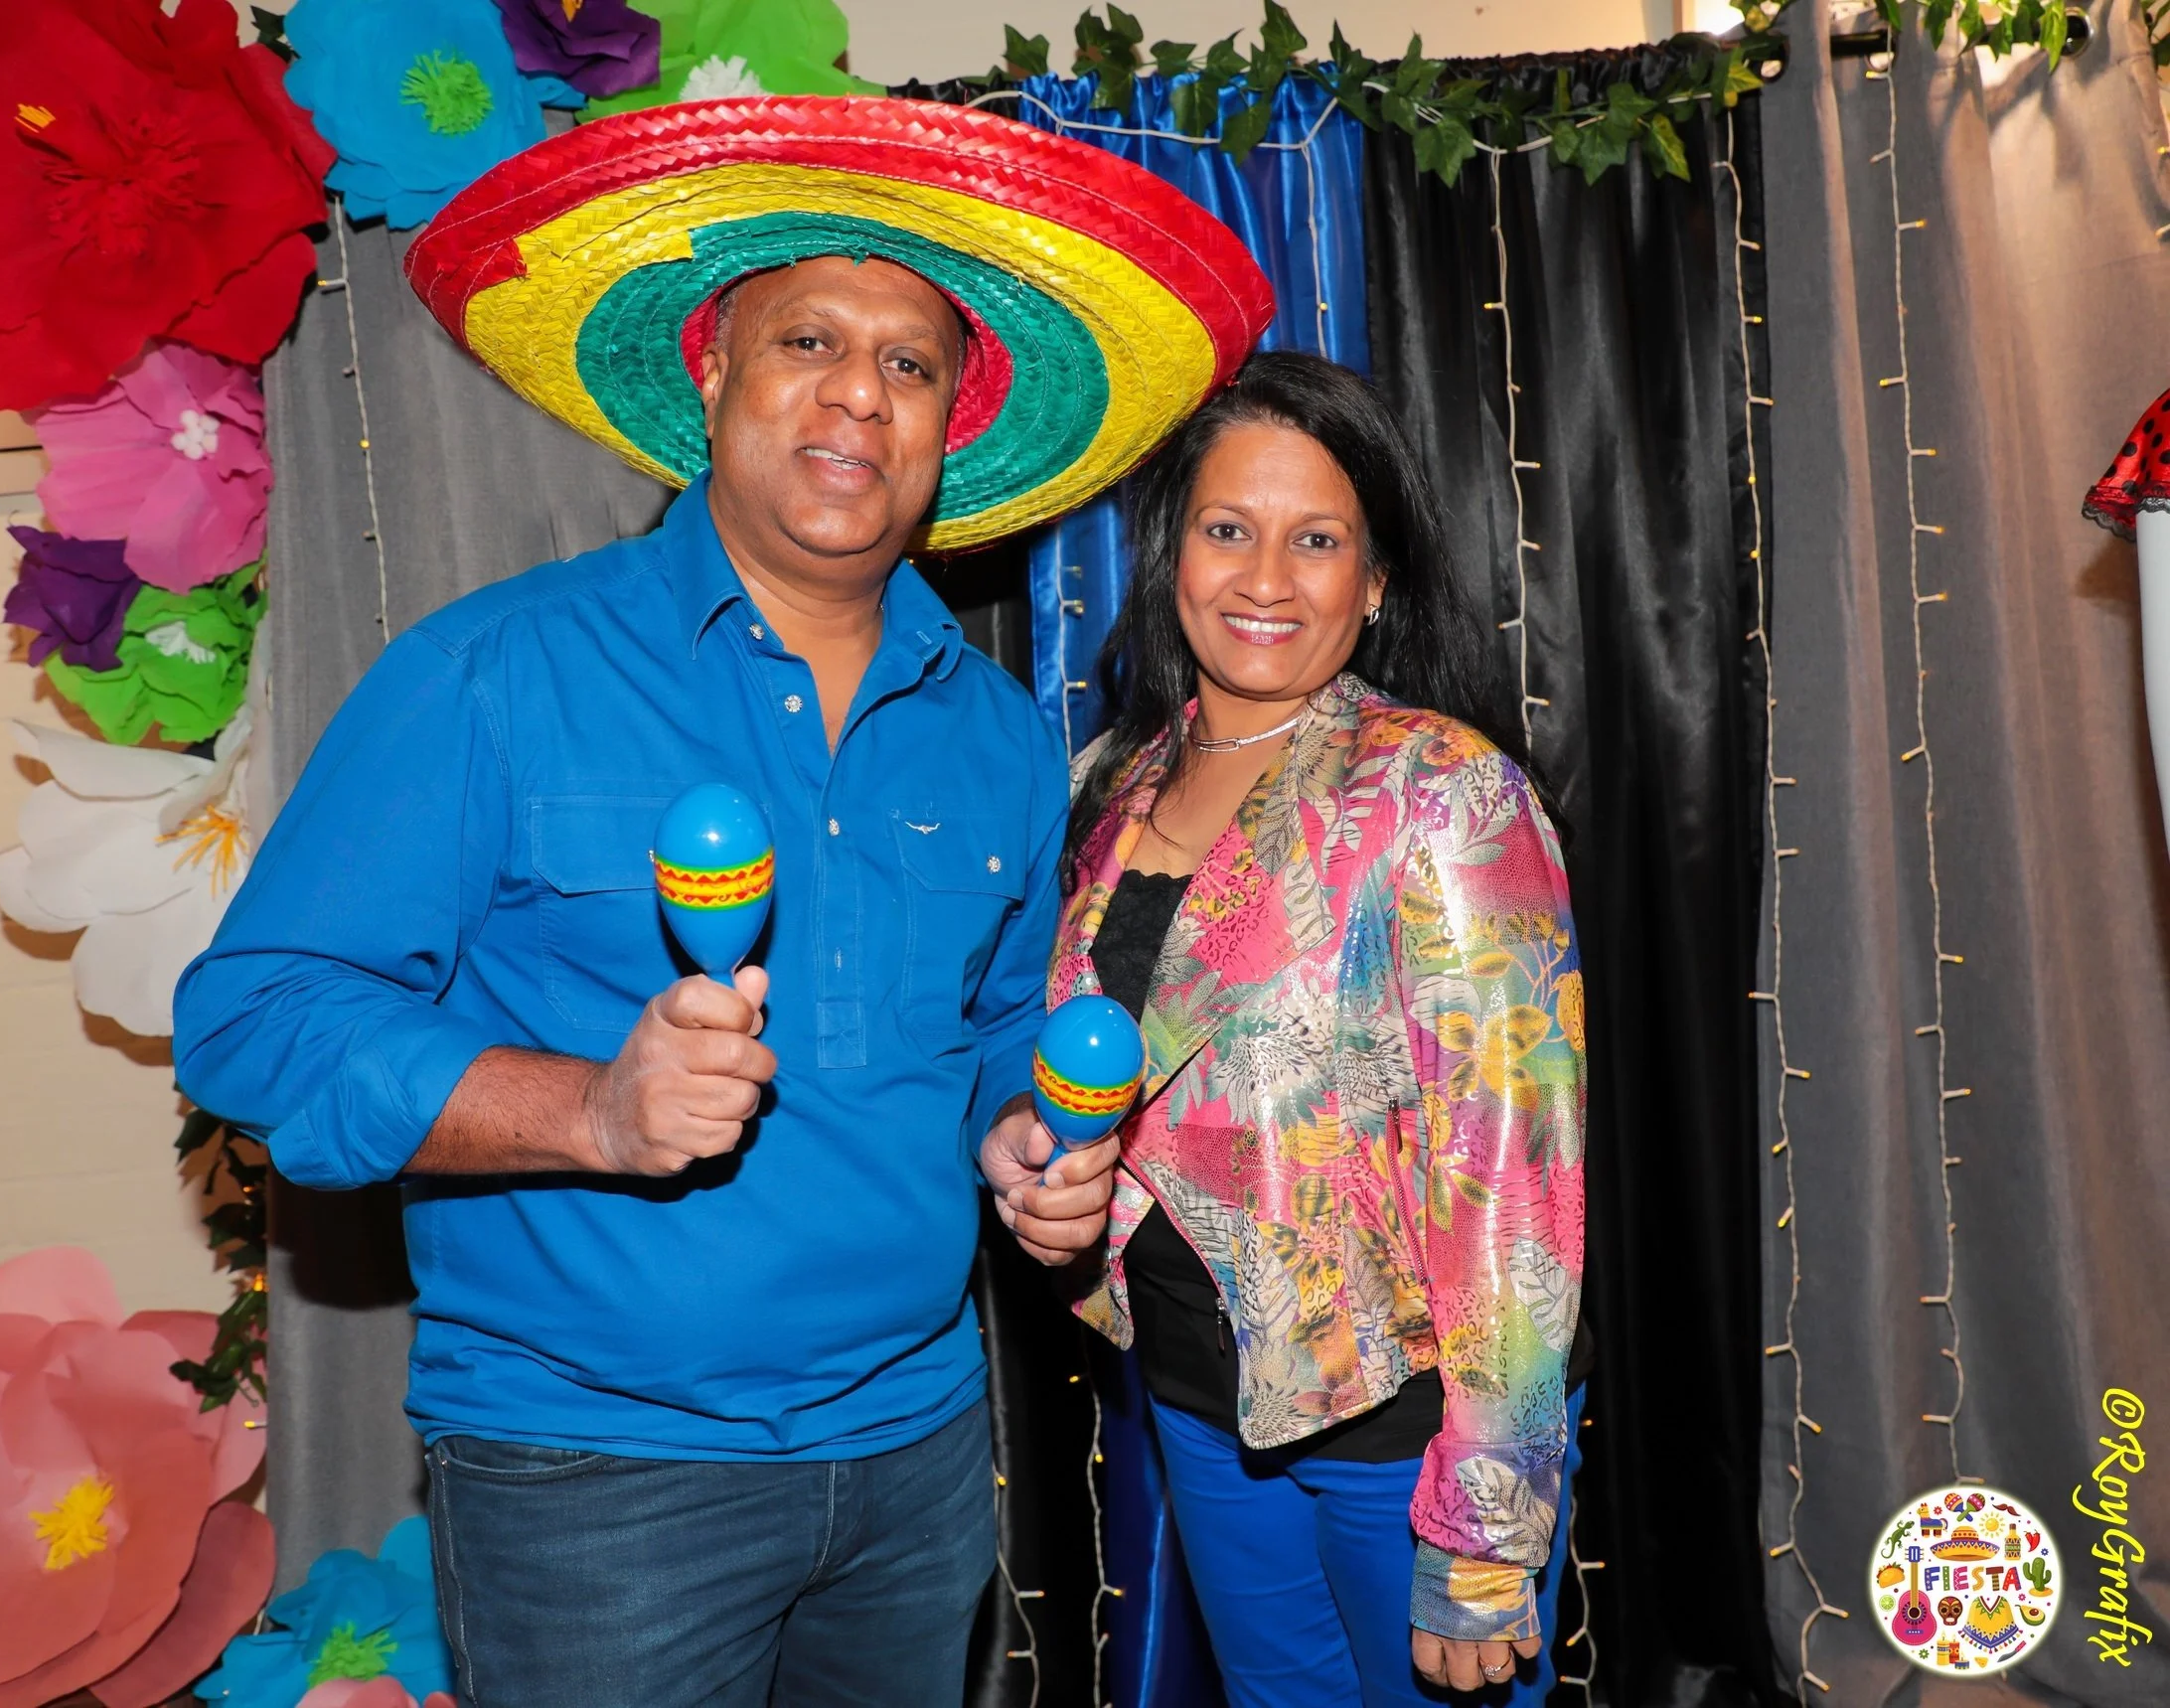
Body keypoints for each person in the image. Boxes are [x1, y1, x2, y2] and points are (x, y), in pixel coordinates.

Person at [172, 98, 1271, 1707]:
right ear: (710, 370)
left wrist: (1021, 1138)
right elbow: (253, 1024)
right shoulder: (496, 671)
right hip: (593, 1478)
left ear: (950, 424)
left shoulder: (991, 733)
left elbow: (984, 1029)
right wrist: (589, 1110)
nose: (859, 393)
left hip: (913, 1462)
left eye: (910, 364)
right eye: (808, 339)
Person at [1050, 352, 1590, 1706]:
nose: (1266, 579)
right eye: (1229, 528)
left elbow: (1515, 1170)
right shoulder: (1111, 786)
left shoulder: (1440, 788)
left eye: (1318, 540)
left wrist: (1485, 1519)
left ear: (1378, 580)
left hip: (1405, 1426)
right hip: (1200, 1399)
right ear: (1174, 552)